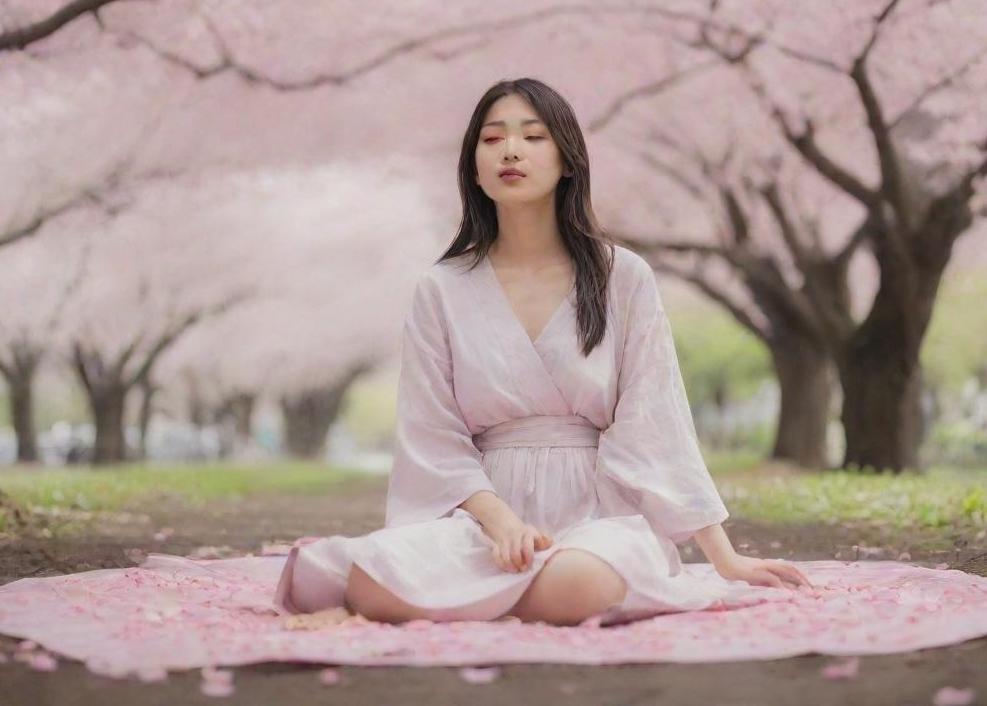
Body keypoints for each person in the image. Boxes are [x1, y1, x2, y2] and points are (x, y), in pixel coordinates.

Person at [274, 78, 812, 629]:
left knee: (580, 580)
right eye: (492, 139)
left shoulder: (622, 276)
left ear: (568, 159)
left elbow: (656, 421)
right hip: (482, 516)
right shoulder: (442, 288)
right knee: (372, 575)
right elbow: (433, 437)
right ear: (474, 167)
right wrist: (502, 525)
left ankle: (469, 600)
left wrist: (724, 556)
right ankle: (490, 591)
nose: (511, 150)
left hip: (599, 513)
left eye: (533, 136)